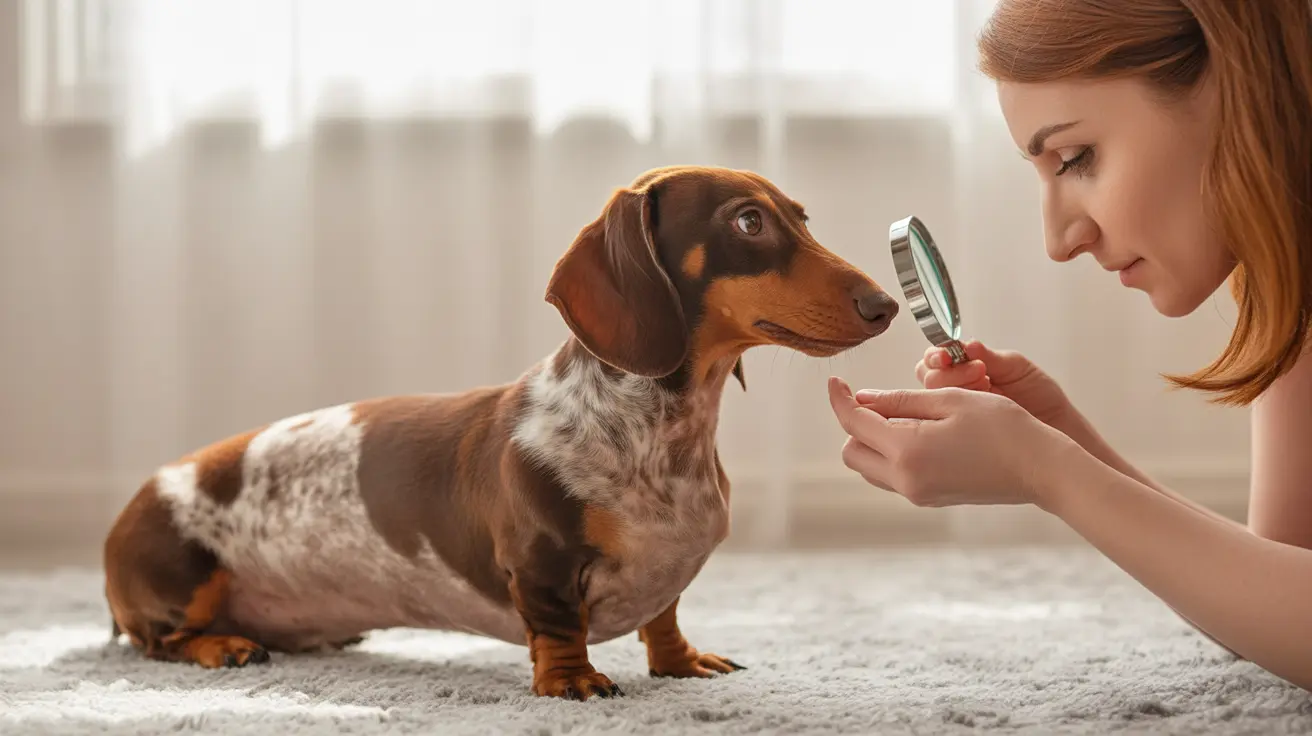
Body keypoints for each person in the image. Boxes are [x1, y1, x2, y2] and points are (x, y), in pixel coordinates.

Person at [827, 0, 1312, 690]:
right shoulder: (1293, 287)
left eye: (1077, 158)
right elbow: (1276, 607)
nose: (1059, 242)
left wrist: (1046, 471)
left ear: (1235, 76)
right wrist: (1062, 443)